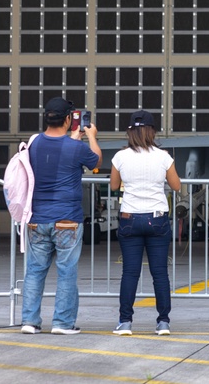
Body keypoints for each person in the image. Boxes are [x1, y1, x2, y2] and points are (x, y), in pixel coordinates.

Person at [21, 97, 101, 335]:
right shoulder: (76, 148)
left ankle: (29, 321)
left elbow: (54, 154)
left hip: (37, 218)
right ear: (68, 119)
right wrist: (92, 136)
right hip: (67, 219)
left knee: (34, 271)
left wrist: (73, 139)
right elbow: (96, 160)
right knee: (66, 272)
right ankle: (62, 323)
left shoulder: (33, 144)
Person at [109, 110, 181, 336]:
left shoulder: (121, 157)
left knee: (130, 273)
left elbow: (113, 185)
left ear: (130, 131)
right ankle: (163, 323)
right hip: (157, 218)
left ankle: (125, 322)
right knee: (160, 273)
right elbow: (177, 185)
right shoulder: (163, 156)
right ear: (153, 131)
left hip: (130, 218)